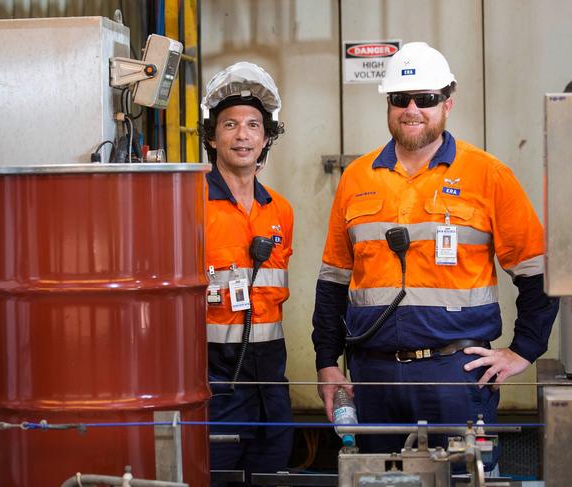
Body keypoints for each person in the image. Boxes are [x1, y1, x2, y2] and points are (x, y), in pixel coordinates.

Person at [311, 42, 559, 469]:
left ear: (448, 103)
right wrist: (326, 364)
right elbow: (333, 280)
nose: (412, 109)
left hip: (456, 375)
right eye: (399, 99)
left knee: (464, 477)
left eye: (425, 99)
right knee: (376, 478)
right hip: (373, 375)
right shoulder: (357, 178)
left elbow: (537, 272)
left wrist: (523, 350)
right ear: (388, 105)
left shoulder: (488, 175)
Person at [200, 61, 294, 486]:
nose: (242, 136)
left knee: (272, 472)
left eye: (254, 125)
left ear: (266, 137)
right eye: (231, 124)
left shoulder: (280, 209)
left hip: (270, 375)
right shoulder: (188, 204)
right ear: (213, 136)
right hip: (211, 375)